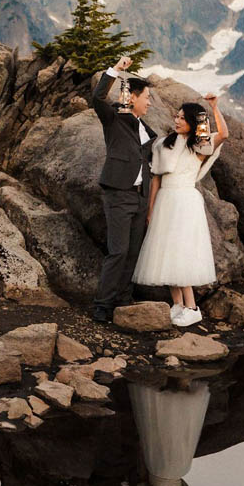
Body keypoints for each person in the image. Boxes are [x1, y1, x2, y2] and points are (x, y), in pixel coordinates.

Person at [131, 94, 229, 327]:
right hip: (166, 200)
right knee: (166, 253)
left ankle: (192, 307)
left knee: (181, 253)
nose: (177, 120)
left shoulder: (199, 146)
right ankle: (177, 305)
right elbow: (156, 179)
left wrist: (214, 107)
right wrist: (150, 209)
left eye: (183, 118)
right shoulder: (164, 143)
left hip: (185, 202)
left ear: (193, 122)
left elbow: (223, 134)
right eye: (176, 116)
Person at [91, 56, 158, 324]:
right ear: (134, 98)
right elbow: (97, 99)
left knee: (132, 252)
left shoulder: (147, 129)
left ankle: (123, 299)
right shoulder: (115, 119)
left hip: (140, 197)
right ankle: (102, 306)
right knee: (117, 251)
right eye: (147, 98)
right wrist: (115, 71)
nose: (150, 102)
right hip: (118, 193)